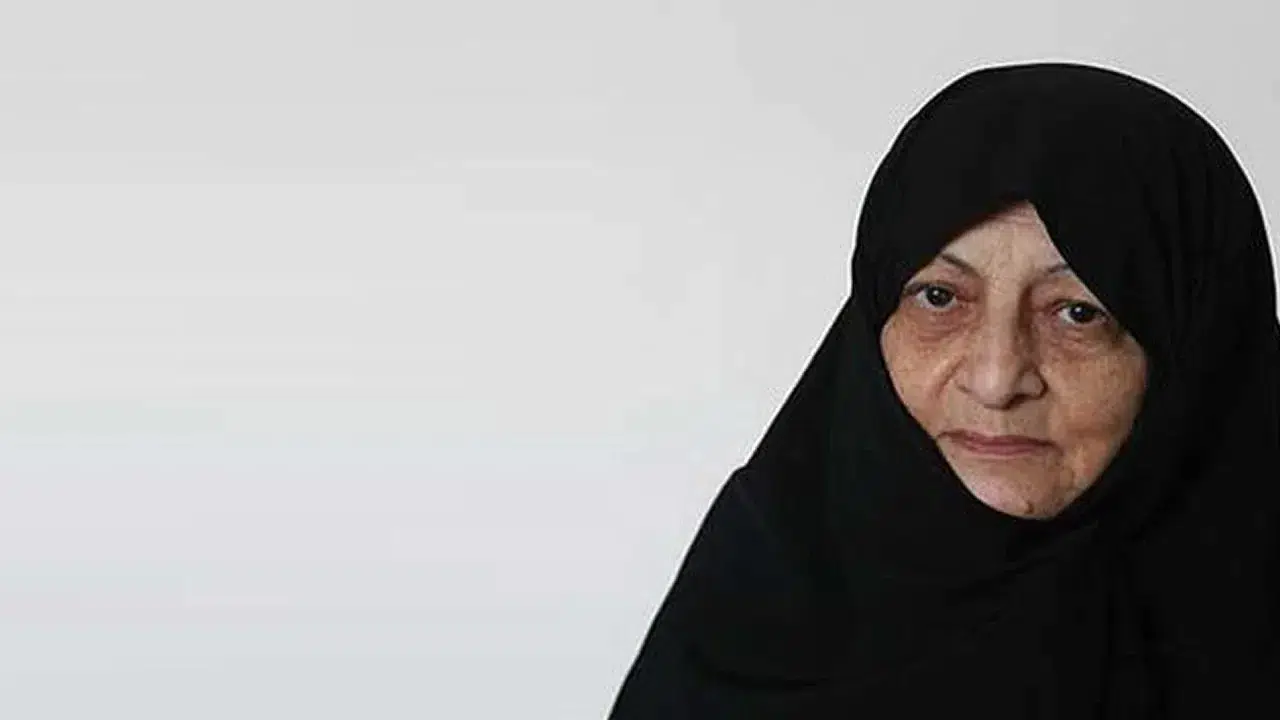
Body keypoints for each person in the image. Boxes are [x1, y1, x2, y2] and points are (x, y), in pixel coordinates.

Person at [607, 62, 1280, 718]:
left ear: (1197, 352)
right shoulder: (753, 624)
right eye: (939, 297)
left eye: (1078, 312)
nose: (996, 379)